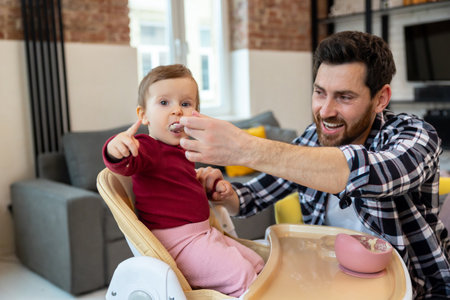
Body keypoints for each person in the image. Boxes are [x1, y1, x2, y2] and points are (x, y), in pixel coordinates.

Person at [179, 31, 450, 299]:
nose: (325, 111)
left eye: (344, 97)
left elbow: (365, 171)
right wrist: (223, 192)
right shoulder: (311, 138)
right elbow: (252, 198)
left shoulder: (416, 135)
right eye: (320, 93)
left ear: (380, 99)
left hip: (418, 289)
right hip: (333, 283)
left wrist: (245, 148)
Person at [102, 64, 264, 296]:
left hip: (204, 234)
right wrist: (114, 148)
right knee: (243, 275)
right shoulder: (147, 147)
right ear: (143, 114)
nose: (177, 111)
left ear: (196, 114)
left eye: (186, 104)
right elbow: (125, 163)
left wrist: (204, 185)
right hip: (179, 244)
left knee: (257, 264)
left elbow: (176, 188)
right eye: (164, 102)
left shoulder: (183, 149)